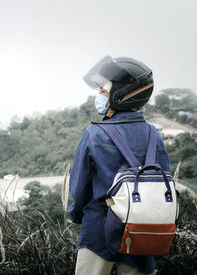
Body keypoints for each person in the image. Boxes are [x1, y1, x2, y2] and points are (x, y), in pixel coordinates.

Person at [68, 55, 170, 275]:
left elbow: (78, 187)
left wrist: (77, 214)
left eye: (104, 92)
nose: (99, 97)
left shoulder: (94, 134)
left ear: (120, 97)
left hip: (99, 230)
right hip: (143, 233)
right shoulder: (155, 136)